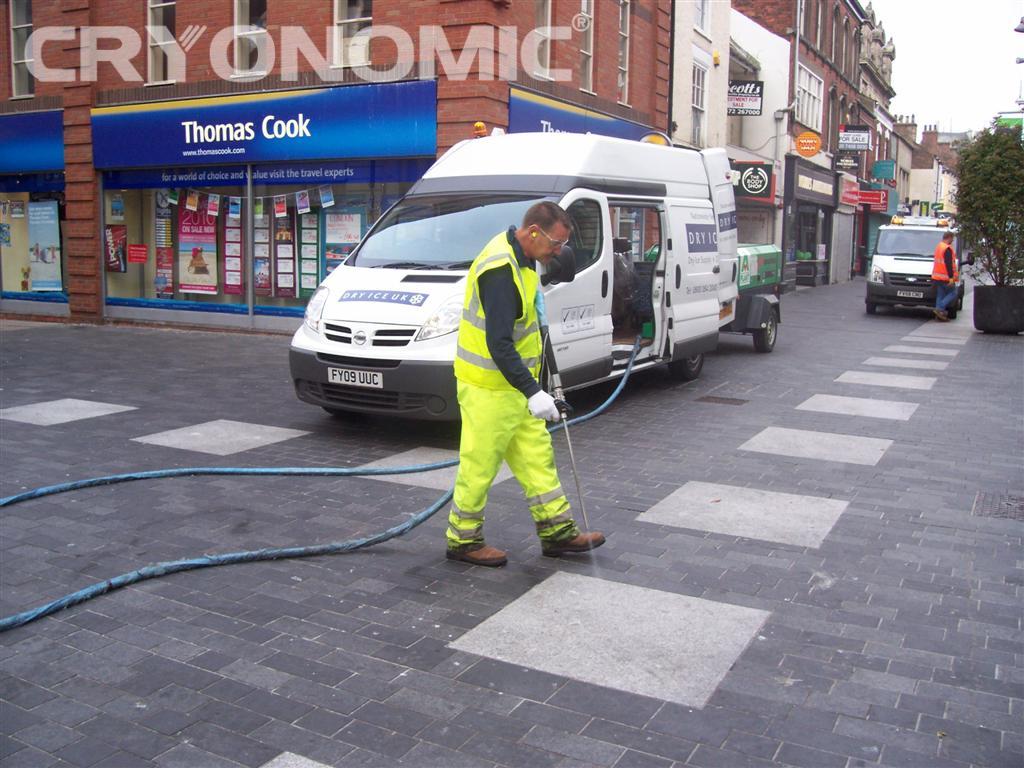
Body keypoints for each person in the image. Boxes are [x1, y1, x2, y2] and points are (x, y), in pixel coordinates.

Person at [445, 202, 606, 567]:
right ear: (534, 232)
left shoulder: (524, 259)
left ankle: (557, 534)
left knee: (537, 458)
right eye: (556, 243)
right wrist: (534, 392)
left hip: (514, 389)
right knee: (479, 465)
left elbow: (528, 329)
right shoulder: (500, 271)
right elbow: (498, 342)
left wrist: (536, 387)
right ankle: (462, 540)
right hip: (487, 388)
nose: (557, 252)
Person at [931, 231, 958, 321]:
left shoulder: (939, 246)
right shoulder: (947, 248)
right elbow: (949, 264)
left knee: (940, 295)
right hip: (945, 277)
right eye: (952, 238)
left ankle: (939, 315)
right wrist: (951, 278)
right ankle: (940, 309)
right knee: (953, 293)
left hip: (937, 276)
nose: (952, 240)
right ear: (949, 237)